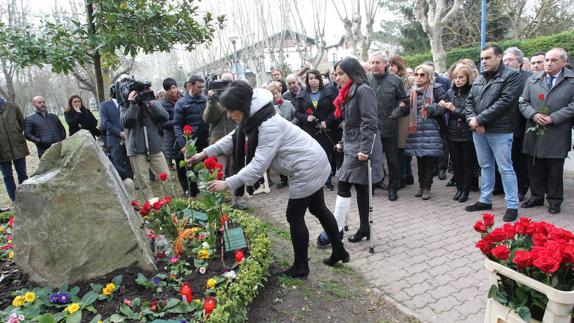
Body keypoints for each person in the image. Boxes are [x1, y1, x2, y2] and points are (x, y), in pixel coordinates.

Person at [188, 81, 349, 279]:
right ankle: (339, 251)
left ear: (244, 107)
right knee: (318, 208)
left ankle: (301, 267)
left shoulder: (267, 125)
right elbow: (232, 138)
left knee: (294, 216)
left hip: (307, 167)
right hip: (311, 160)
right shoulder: (254, 118)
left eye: (231, 111)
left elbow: (258, 166)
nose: (229, 115)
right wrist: (203, 154)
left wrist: (228, 183)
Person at [316, 57, 384, 248]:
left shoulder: (364, 90)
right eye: (335, 74)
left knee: (343, 183)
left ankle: (334, 229)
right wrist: (342, 142)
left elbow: (369, 121)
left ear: (352, 73)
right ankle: (364, 228)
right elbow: (350, 125)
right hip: (351, 144)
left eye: (340, 74)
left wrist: (364, 149)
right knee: (360, 186)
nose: (337, 78)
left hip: (362, 146)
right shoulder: (347, 92)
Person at [464, 44, 522, 222]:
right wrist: (473, 120)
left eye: (487, 58)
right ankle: (485, 199)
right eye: (482, 58)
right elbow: (469, 102)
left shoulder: (512, 76)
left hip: (500, 130)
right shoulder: (480, 78)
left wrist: (479, 120)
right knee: (485, 166)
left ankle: (512, 205)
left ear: (499, 57)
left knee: (505, 168)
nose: (484, 61)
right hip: (479, 131)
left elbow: (505, 102)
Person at [519, 48, 574, 214]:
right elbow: (523, 102)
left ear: (563, 62)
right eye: (547, 60)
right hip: (534, 130)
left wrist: (553, 117)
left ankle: (555, 200)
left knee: (555, 169)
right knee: (534, 166)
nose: (548, 63)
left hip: (557, 131)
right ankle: (536, 197)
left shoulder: (571, 81)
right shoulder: (533, 80)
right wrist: (533, 114)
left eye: (553, 60)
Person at [404, 64, 448, 200]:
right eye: (416, 75)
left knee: (429, 160)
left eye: (422, 75)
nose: (418, 78)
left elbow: (445, 106)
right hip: (415, 129)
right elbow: (407, 108)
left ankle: (427, 187)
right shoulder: (412, 90)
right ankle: (421, 185)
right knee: (419, 159)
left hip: (431, 129)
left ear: (429, 76)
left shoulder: (437, 89)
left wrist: (431, 108)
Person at [369, 53, 409, 201]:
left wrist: (392, 115)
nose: (374, 65)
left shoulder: (395, 81)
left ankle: (393, 188)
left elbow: (405, 103)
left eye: (377, 62)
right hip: (371, 127)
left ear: (385, 64)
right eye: (372, 62)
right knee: (371, 160)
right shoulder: (366, 80)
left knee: (393, 160)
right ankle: (371, 186)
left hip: (389, 127)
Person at [120, 87, 172, 200]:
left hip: (154, 146)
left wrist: (152, 104)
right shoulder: (125, 105)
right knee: (144, 182)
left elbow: (165, 117)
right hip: (136, 149)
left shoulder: (150, 102)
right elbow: (126, 122)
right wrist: (132, 104)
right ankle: (153, 207)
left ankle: (171, 203)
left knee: (165, 176)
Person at [294, 69, 338, 191]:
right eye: (310, 78)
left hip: (325, 131)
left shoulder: (328, 93)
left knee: (326, 155)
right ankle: (314, 180)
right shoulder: (302, 96)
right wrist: (305, 117)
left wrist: (327, 121)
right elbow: (297, 113)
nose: (313, 81)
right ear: (307, 81)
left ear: (319, 79)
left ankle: (327, 180)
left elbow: (335, 111)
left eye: (315, 78)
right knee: (312, 156)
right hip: (309, 131)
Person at [439, 65, 477, 203]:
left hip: (467, 132)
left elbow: (470, 113)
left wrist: (453, 108)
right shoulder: (451, 92)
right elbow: (442, 107)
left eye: (461, 77)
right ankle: (459, 188)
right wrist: (432, 108)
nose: (458, 80)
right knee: (456, 163)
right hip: (453, 131)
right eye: (455, 77)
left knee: (467, 164)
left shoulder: (472, 92)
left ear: (468, 78)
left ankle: (465, 190)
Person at [499, 47, 532, 201]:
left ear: (519, 61)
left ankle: (522, 188)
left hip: (522, 124)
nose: (506, 62)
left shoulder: (529, 78)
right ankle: (501, 187)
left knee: (519, 159)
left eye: (510, 60)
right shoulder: (500, 76)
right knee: (505, 159)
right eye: (504, 60)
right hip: (502, 125)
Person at [174, 75, 209, 197]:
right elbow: (177, 126)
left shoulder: (205, 100)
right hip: (191, 143)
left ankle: (209, 192)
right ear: (190, 86)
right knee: (191, 170)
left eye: (203, 87)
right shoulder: (181, 103)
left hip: (206, 140)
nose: (202, 89)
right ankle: (192, 194)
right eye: (199, 87)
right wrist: (183, 144)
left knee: (207, 168)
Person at [389, 55, 415, 188]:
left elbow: (411, 97)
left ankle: (404, 175)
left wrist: (402, 103)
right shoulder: (389, 80)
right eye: (389, 65)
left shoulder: (408, 80)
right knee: (398, 149)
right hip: (394, 116)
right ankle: (405, 175)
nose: (390, 68)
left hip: (405, 117)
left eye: (392, 65)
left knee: (403, 147)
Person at [266, 81, 297, 189]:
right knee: (280, 158)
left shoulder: (288, 103)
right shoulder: (269, 108)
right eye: (273, 94)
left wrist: (291, 124)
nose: (276, 96)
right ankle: (283, 180)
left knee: (292, 157)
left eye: (277, 93)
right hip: (277, 137)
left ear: (281, 92)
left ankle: (294, 177)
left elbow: (296, 116)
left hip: (290, 135)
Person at [100, 85, 133, 180]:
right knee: (117, 162)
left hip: (129, 138)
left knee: (130, 161)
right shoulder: (104, 105)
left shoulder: (126, 103)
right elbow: (105, 123)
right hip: (114, 139)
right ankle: (121, 183)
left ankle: (131, 181)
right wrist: (119, 133)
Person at [0, 97, 29, 206]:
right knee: (7, 176)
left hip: (17, 145)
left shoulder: (13, 106)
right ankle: (15, 201)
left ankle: (26, 196)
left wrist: (15, 134)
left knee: (22, 173)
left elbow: (21, 123)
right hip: (1, 150)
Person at [160, 77, 181, 170]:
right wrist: (177, 122)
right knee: (180, 165)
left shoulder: (184, 98)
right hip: (173, 138)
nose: (172, 91)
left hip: (187, 134)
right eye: (169, 89)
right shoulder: (164, 104)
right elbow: (163, 123)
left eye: (173, 87)